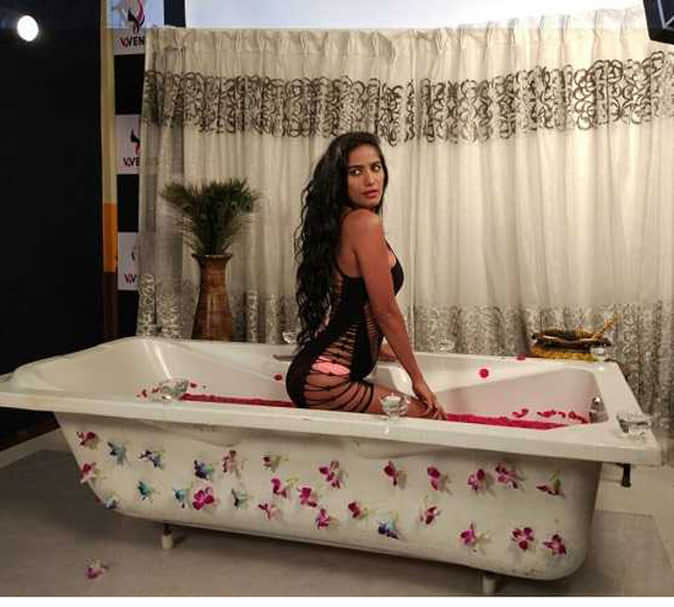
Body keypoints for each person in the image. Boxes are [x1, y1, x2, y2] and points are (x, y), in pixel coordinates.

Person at [285, 132, 443, 419]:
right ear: (339, 180)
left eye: (376, 167)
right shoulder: (364, 223)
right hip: (326, 382)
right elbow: (386, 311)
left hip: (315, 374)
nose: (370, 180)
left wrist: (375, 347)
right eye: (356, 172)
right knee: (431, 418)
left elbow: (351, 303)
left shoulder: (342, 222)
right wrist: (418, 379)